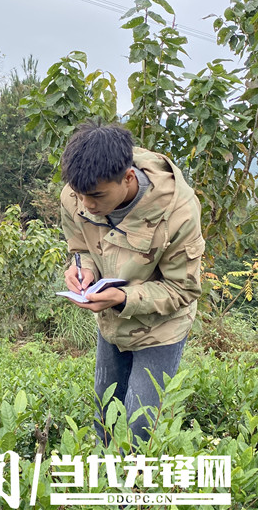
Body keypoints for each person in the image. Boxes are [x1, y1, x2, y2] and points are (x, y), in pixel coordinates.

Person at [59, 122, 204, 443]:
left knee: (139, 426)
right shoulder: (76, 193)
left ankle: (133, 475)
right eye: (80, 195)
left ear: (127, 178)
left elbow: (183, 289)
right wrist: (82, 269)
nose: (86, 205)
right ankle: (104, 471)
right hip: (111, 324)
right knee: (104, 414)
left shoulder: (177, 213)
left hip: (161, 329)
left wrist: (123, 298)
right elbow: (80, 246)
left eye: (96, 196)